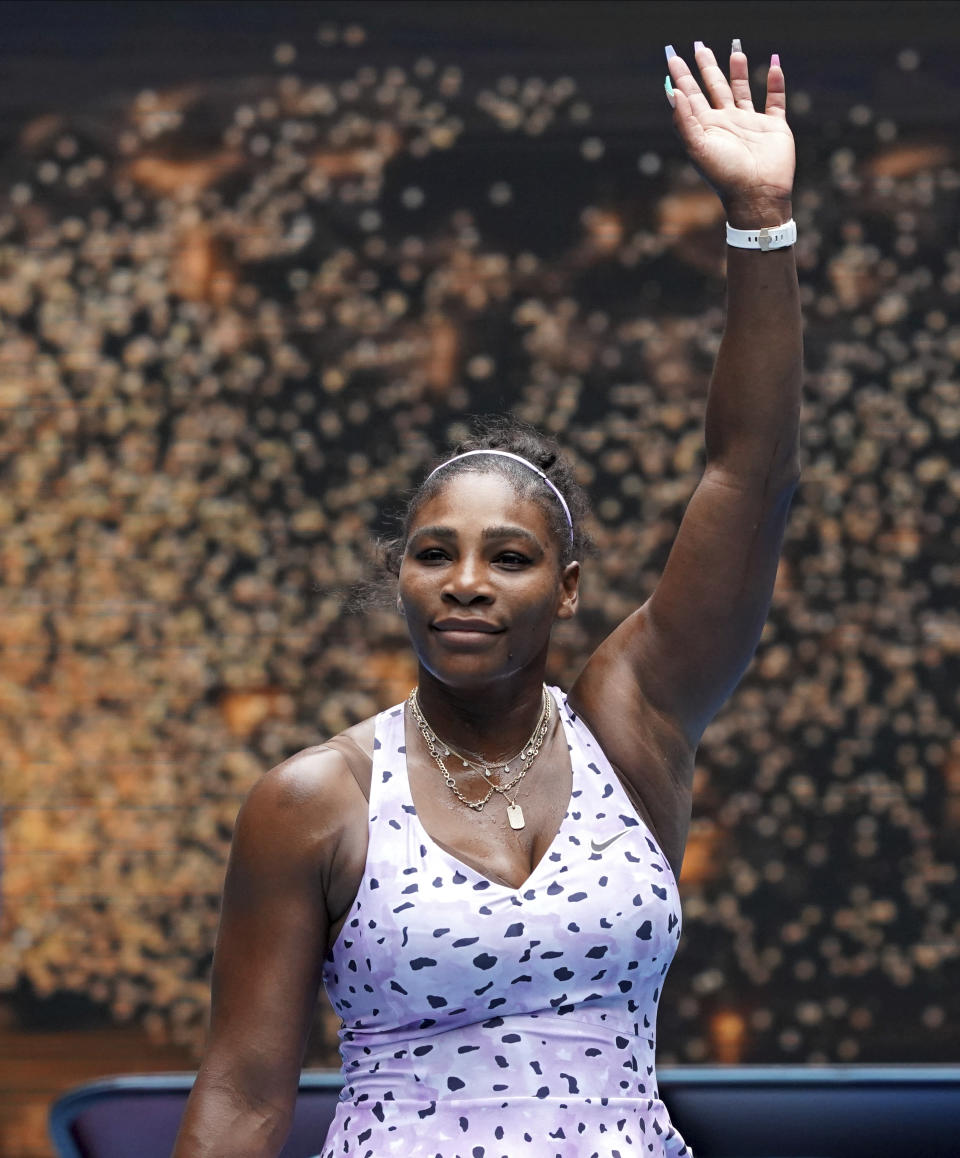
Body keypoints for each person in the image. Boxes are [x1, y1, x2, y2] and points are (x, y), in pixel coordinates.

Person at [173, 39, 801, 1158]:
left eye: (507, 558)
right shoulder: (313, 801)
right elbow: (243, 1095)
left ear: (565, 593)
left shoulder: (630, 725)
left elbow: (745, 475)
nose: (465, 582)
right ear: (401, 578)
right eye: (434, 554)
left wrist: (760, 218)